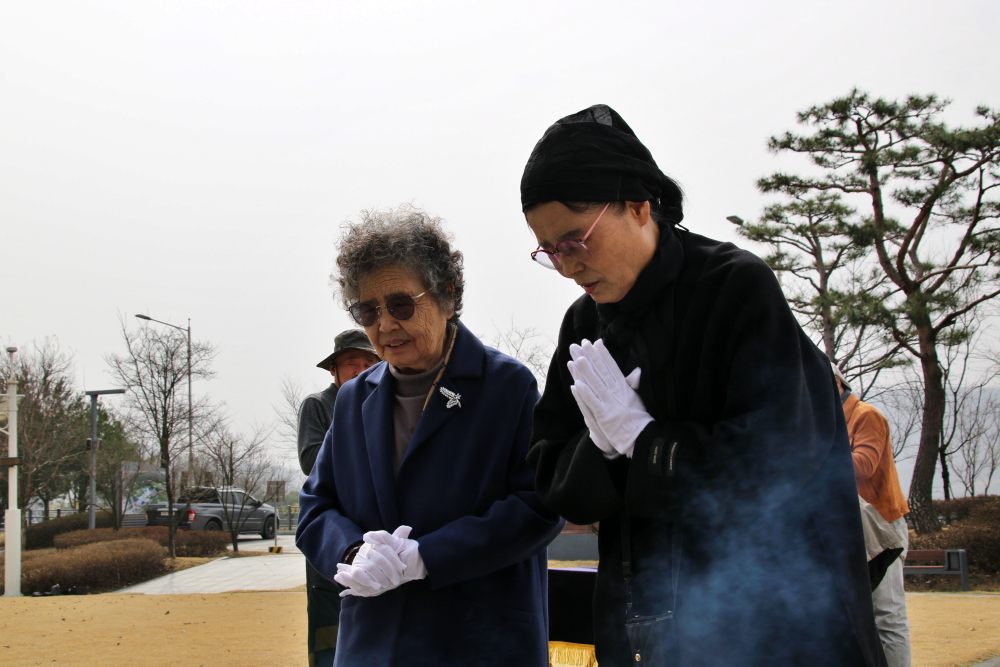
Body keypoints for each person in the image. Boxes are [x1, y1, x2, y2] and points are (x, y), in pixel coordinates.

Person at [520, 104, 886, 666]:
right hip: (643, 617)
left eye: (576, 240)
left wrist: (647, 443)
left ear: (640, 205)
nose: (568, 267)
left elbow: (782, 464)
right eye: (550, 251)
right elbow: (549, 474)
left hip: (770, 619)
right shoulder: (584, 325)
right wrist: (600, 449)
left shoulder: (735, 289)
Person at [296, 205, 563, 666]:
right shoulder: (353, 398)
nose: (384, 325)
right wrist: (355, 551)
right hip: (374, 645)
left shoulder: (506, 386)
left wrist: (427, 556)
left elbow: (538, 507)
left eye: (400, 304)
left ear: (447, 293)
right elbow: (316, 508)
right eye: (368, 310)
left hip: (478, 642)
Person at [297, 329, 379, 667]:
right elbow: (311, 460)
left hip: (377, 535)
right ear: (334, 370)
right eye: (351, 364)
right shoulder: (319, 405)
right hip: (334, 535)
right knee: (330, 634)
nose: (360, 370)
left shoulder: (388, 401)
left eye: (367, 362)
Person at [834, 364, 912, 667]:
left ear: (836, 382)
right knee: (856, 615)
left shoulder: (866, 415)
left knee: (887, 615)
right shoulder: (829, 421)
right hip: (852, 530)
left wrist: (814, 451)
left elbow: (863, 465)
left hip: (881, 527)